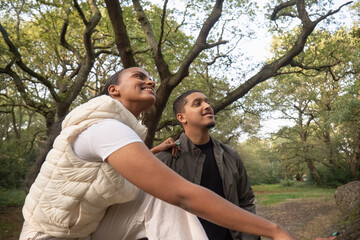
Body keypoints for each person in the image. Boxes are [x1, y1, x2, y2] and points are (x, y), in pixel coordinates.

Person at [20, 67, 296, 240]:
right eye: (139, 76)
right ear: (113, 90)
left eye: (151, 78)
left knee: (162, 201)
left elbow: (108, 170)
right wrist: (273, 230)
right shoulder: (104, 126)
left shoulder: (125, 134)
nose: (150, 81)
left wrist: (153, 150)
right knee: (172, 198)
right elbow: (183, 194)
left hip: (87, 230)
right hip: (50, 235)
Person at [155, 90, 258, 240]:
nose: (207, 106)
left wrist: (249, 238)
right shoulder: (165, 159)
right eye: (197, 103)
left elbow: (246, 201)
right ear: (181, 117)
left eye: (207, 101)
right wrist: (150, 152)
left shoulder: (230, 155)